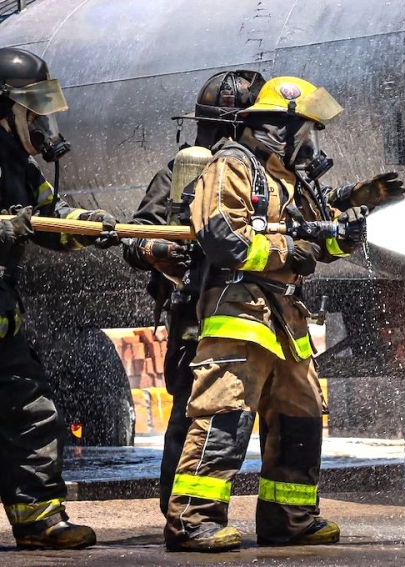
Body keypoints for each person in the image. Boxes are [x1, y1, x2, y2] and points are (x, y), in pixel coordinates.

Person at [163, 76, 400, 552]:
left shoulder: (288, 178)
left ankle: (289, 520)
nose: (311, 143)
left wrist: (342, 237)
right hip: (239, 311)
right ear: (280, 128)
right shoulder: (231, 165)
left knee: (301, 418)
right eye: (307, 131)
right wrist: (289, 249)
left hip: (286, 318)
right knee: (224, 413)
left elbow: (316, 242)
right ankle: (193, 521)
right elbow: (221, 239)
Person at [122, 70, 266, 518]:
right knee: (193, 420)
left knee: (238, 423)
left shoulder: (262, 175)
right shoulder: (181, 171)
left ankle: (225, 514)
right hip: (194, 321)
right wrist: (158, 250)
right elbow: (136, 236)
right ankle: (183, 516)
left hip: (258, 319)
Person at [0, 47, 119, 550]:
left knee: (33, 414)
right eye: (32, 109)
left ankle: (40, 518)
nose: (40, 120)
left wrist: (86, 228)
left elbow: (50, 219)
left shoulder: (18, 165)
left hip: (5, 322)